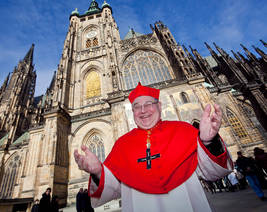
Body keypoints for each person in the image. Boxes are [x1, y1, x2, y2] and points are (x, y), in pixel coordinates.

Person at [74, 83, 233, 211]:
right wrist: (98, 172)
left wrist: (208, 142)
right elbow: (112, 189)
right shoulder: (122, 145)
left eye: (149, 104)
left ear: (160, 105)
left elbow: (212, 173)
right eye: (137, 106)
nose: (143, 111)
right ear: (133, 111)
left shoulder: (183, 130)